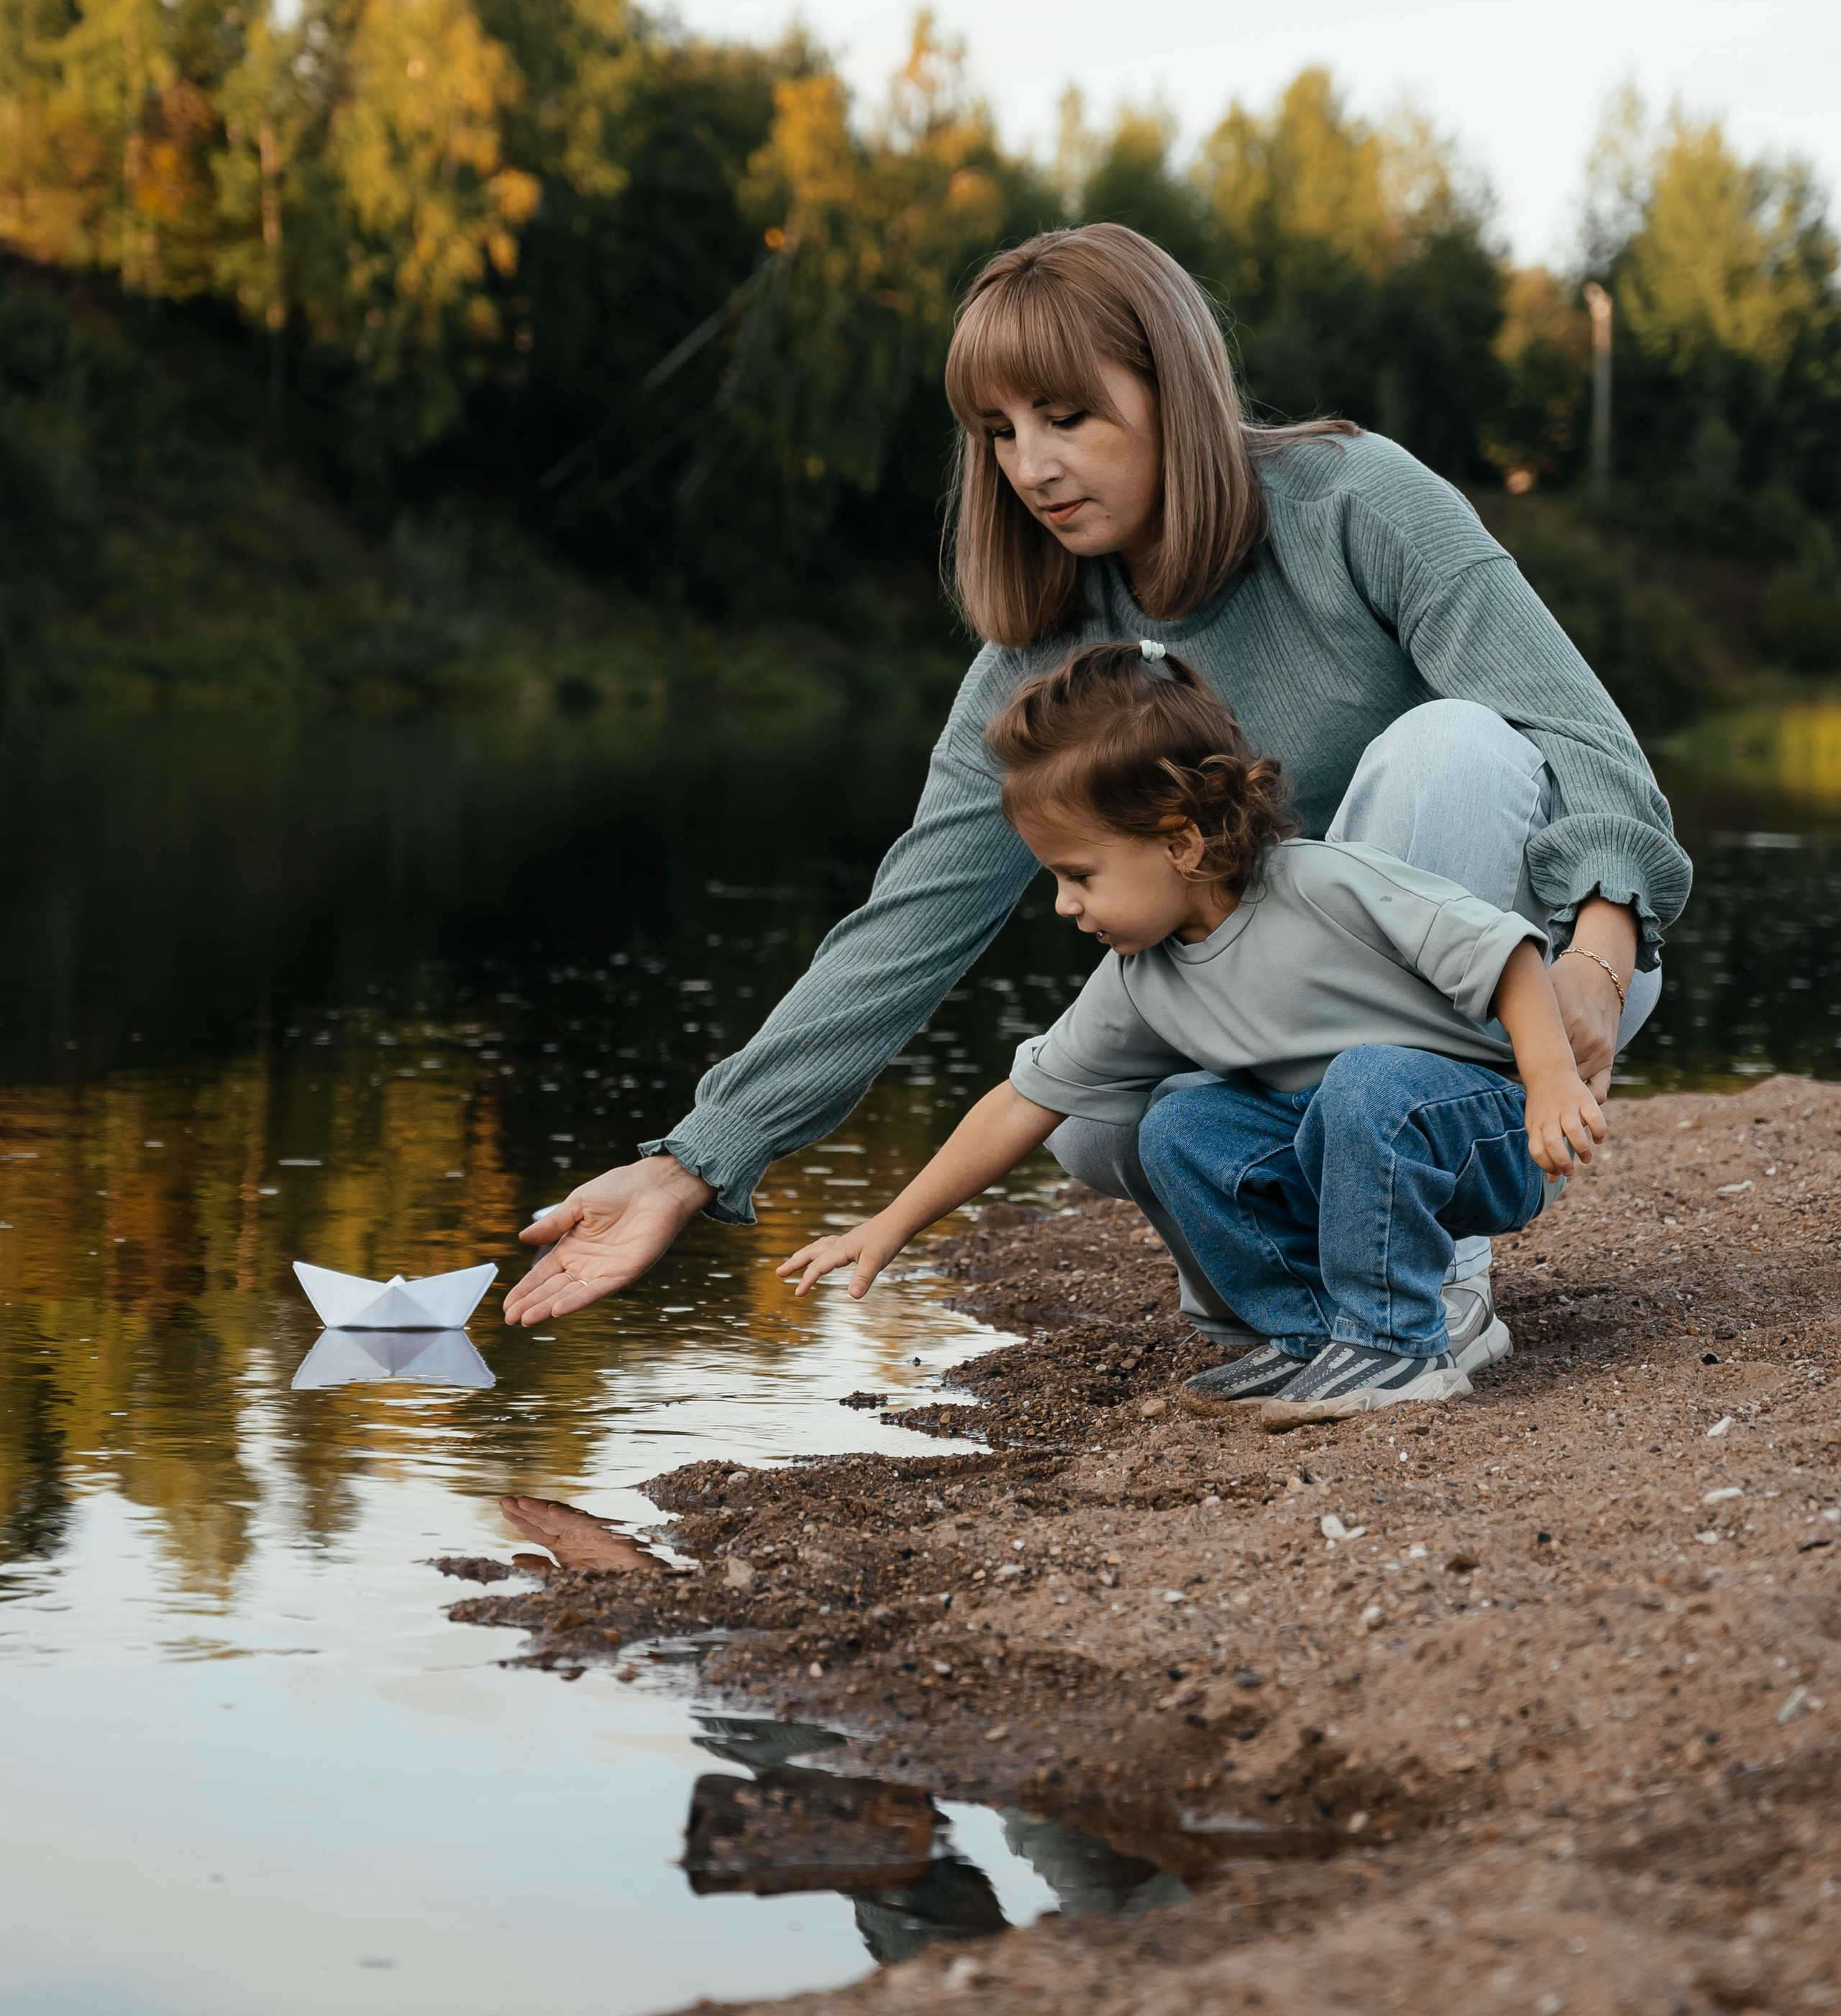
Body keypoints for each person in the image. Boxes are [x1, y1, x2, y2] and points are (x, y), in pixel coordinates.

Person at [504, 224, 1689, 1349]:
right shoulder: (1043, 653)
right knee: (1098, 1121)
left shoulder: (1359, 502)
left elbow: (1587, 744)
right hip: (1283, 1027)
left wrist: (1595, 958)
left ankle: (1430, 1277)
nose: (1032, 466)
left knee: (1456, 749)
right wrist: (694, 1159)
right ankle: (1305, 1274)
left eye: (1067, 416)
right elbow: (908, 925)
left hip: (1516, 983)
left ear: (1171, 388)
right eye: (999, 431)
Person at [777, 640, 1598, 1422]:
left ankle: (1398, 1348)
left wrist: (1552, 1081)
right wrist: (888, 1224)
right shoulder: (1142, 976)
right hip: (1344, 1147)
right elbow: (1023, 1100)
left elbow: (1504, 953)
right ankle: (1309, 1331)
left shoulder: (1321, 884)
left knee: (1366, 1079)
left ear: (1180, 842)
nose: (1064, 905)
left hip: (1484, 1134)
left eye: (1079, 876)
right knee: (1180, 1121)